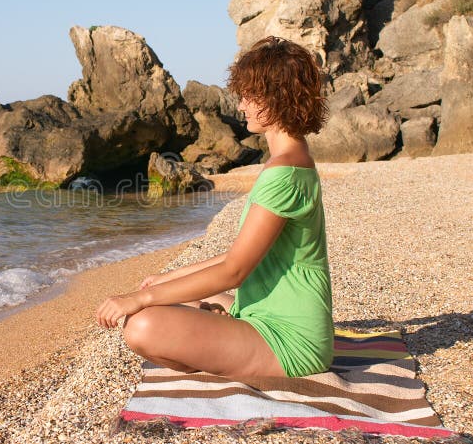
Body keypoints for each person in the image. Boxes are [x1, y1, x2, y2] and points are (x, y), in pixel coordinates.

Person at [96, 36, 333, 380]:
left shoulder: (285, 173)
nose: (242, 106)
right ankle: (218, 339)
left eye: (251, 96)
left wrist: (137, 300)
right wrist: (167, 278)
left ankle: (213, 350)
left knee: (142, 325)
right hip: (263, 311)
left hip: (291, 339)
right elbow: (239, 256)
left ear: (277, 98)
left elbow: (234, 272)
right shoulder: (291, 160)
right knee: (167, 296)